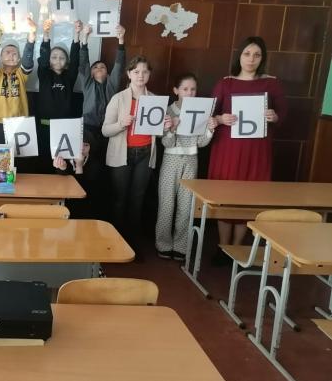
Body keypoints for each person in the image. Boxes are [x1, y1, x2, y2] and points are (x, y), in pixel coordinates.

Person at [208, 36, 286, 265]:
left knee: (248, 197)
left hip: (257, 152)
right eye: (247, 53)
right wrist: (220, 118)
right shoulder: (225, 83)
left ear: (263, 58)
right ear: (239, 56)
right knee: (225, 195)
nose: (251, 59)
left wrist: (274, 116)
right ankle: (223, 246)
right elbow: (209, 115)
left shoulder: (271, 84)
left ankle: (237, 248)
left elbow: (283, 114)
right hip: (228, 150)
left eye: (257, 55)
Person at [101, 56, 171, 260]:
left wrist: (166, 127)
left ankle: (132, 245)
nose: (141, 75)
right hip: (122, 155)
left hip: (145, 153)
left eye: (145, 72)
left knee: (137, 200)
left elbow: (160, 134)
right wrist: (121, 124)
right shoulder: (118, 98)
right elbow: (105, 130)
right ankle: (114, 244)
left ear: (149, 75)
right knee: (119, 200)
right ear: (129, 74)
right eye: (136, 71)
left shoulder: (156, 100)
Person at [156, 73, 217, 261]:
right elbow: (166, 143)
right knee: (166, 204)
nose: (189, 93)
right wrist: (171, 129)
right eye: (185, 89)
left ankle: (181, 246)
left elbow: (201, 142)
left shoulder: (201, 110)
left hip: (191, 161)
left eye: (193, 89)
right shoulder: (168, 110)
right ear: (176, 90)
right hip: (170, 160)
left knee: (186, 205)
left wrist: (210, 128)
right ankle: (163, 244)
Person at [36, 19, 81, 172]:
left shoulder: (69, 77)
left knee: (60, 165)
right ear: (49, 59)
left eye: (62, 57)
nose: (57, 60)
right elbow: (42, 60)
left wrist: (77, 34)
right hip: (44, 127)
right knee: (43, 163)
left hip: (63, 129)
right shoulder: (44, 75)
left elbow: (75, 61)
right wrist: (46, 34)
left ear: (66, 61)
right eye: (54, 57)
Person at [79, 23, 126, 162]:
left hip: (109, 129)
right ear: (90, 73)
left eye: (103, 67)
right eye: (95, 67)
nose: (99, 68)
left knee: (105, 162)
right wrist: (84, 39)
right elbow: (83, 64)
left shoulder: (112, 85)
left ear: (108, 73)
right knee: (90, 163)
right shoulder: (87, 84)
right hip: (88, 129)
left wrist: (121, 40)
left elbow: (119, 65)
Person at [0, 20, 35, 144]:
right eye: (7, 52)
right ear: (0, 58)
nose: (11, 55)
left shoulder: (21, 74)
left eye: (14, 53)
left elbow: (27, 63)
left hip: (19, 123)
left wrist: (31, 38)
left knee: (18, 157)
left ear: (19, 59)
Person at [52, 129, 103, 219]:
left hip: (86, 205)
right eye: (79, 145)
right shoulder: (65, 157)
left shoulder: (95, 164)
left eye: (86, 145)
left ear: (91, 147)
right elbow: (61, 184)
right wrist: (63, 169)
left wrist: (79, 166)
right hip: (67, 202)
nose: (82, 148)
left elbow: (82, 192)